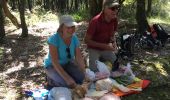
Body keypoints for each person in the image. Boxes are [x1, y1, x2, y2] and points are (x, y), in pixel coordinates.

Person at [44, 15, 85, 89]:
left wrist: (84, 72)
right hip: (52, 66)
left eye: (72, 27)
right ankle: (51, 80)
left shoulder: (74, 38)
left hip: (67, 64)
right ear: (61, 28)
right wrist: (67, 79)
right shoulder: (54, 39)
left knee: (82, 79)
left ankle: (65, 76)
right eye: (68, 27)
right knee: (68, 84)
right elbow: (55, 62)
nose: (71, 29)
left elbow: (79, 57)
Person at [84, 0, 120, 72]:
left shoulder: (114, 19)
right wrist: (104, 46)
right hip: (94, 48)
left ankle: (100, 59)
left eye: (117, 8)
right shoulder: (95, 21)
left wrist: (114, 42)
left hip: (105, 48)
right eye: (113, 8)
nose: (115, 11)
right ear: (105, 9)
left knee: (116, 64)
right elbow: (86, 40)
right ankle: (88, 59)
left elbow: (112, 34)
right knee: (94, 71)